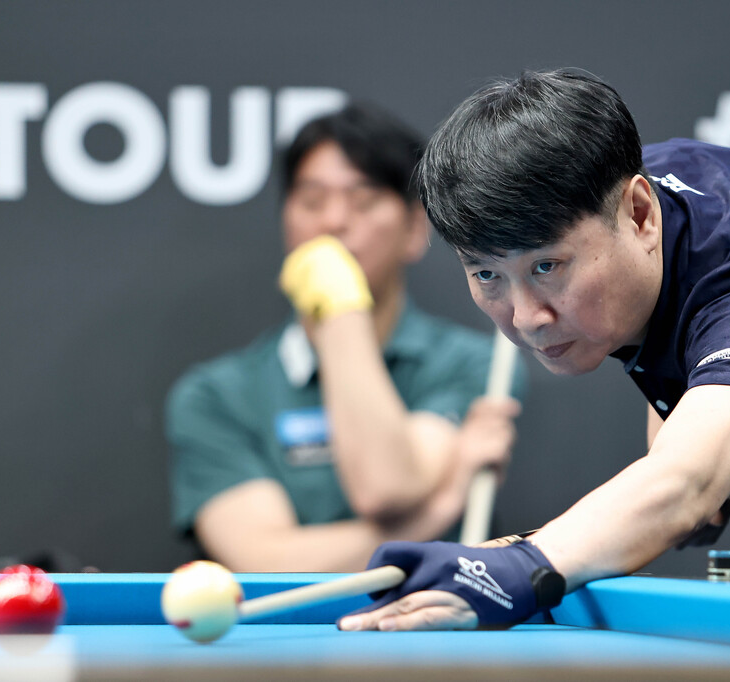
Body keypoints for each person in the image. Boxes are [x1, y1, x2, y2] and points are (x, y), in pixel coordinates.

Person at [338, 69, 730, 633]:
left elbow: (684, 483)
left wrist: (524, 566)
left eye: (547, 267)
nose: (527, 318)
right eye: (486, 275)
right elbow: (687, 356)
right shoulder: (631, 196)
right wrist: (684, 446)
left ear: (640, 212)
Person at [166, 103, 524, 572]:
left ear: (414, 229)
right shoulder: (215, 395)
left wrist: (338, 309)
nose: (333, 221)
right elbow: (264, 562)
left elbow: (385, 486)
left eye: (364, 201)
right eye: (312, 201)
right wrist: (437, 511)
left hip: (437, 617)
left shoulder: (473, 363)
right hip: (287, 622)